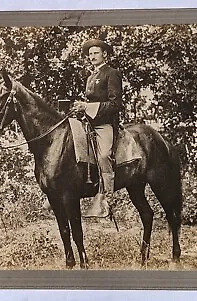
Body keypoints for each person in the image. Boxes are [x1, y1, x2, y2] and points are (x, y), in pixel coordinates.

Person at [73, 39, 123, 218]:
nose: (92, 56)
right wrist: (80, 109)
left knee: (103, 155)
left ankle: (107, 198)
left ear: (105, 54)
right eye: (90, 53)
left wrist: (87, 107)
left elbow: (115, 104)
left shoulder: (112, 73)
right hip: (88, 123)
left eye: (96, 53)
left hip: (104, 124)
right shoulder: (90, 77)